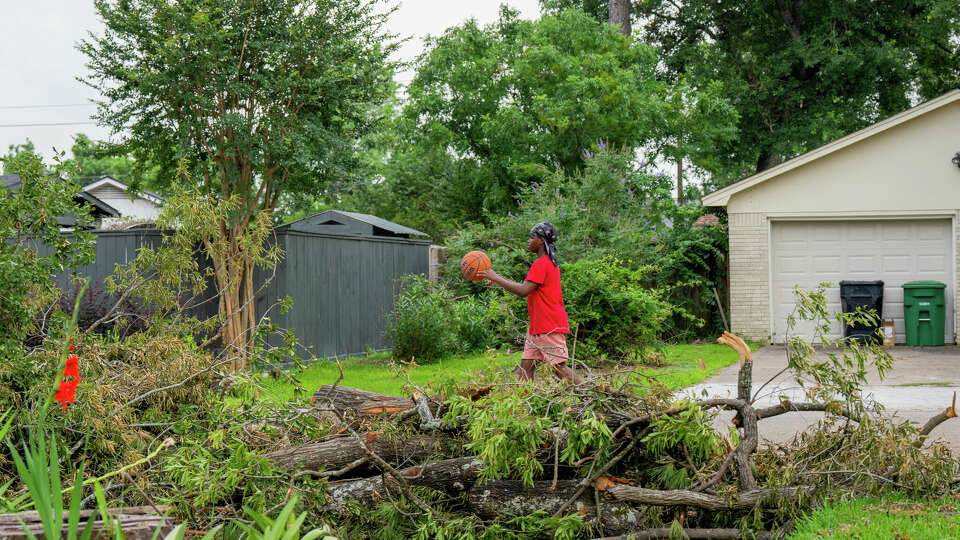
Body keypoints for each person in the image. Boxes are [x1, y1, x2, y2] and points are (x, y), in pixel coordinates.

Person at [477, 222, 581, 384]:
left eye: (531, 237)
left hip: (548, 325)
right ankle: (523, 403)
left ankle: (591, 392)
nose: (528, 241)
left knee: (559, 367)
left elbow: (523, 291)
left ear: (540, 241)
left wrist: (495, 276)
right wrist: (500, 281)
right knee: (526, 367)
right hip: (539, 327)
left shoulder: (542, 264)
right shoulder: (545, 263)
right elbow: (526, 288)